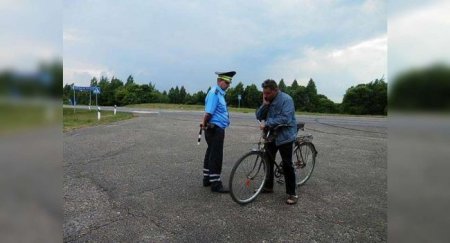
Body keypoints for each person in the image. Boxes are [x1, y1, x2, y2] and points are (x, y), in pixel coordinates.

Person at [255, 79, 298, 204]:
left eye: (268, 93)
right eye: (264, 93)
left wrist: (267, 123)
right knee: (268, 160)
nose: (265, 95)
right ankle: (268, 186)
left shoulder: (286, 99)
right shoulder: (268, 100)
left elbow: (286, 118)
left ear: (275, 90)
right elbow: (258, 116)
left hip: (285, 136)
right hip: (271, 135)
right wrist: (265, 104)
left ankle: (292, 193)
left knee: (287, 164)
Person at [201, 71, 236, 193]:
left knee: (211, 152)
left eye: (229, 83)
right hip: (215, 128)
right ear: (219, 81)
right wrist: (204, 124)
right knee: (216, 155)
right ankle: (215, 184)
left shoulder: (220, 93)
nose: (228, 85)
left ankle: (207, 178)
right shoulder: (215, 93)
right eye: (226, 82)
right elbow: (209, 112)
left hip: (215, 128)